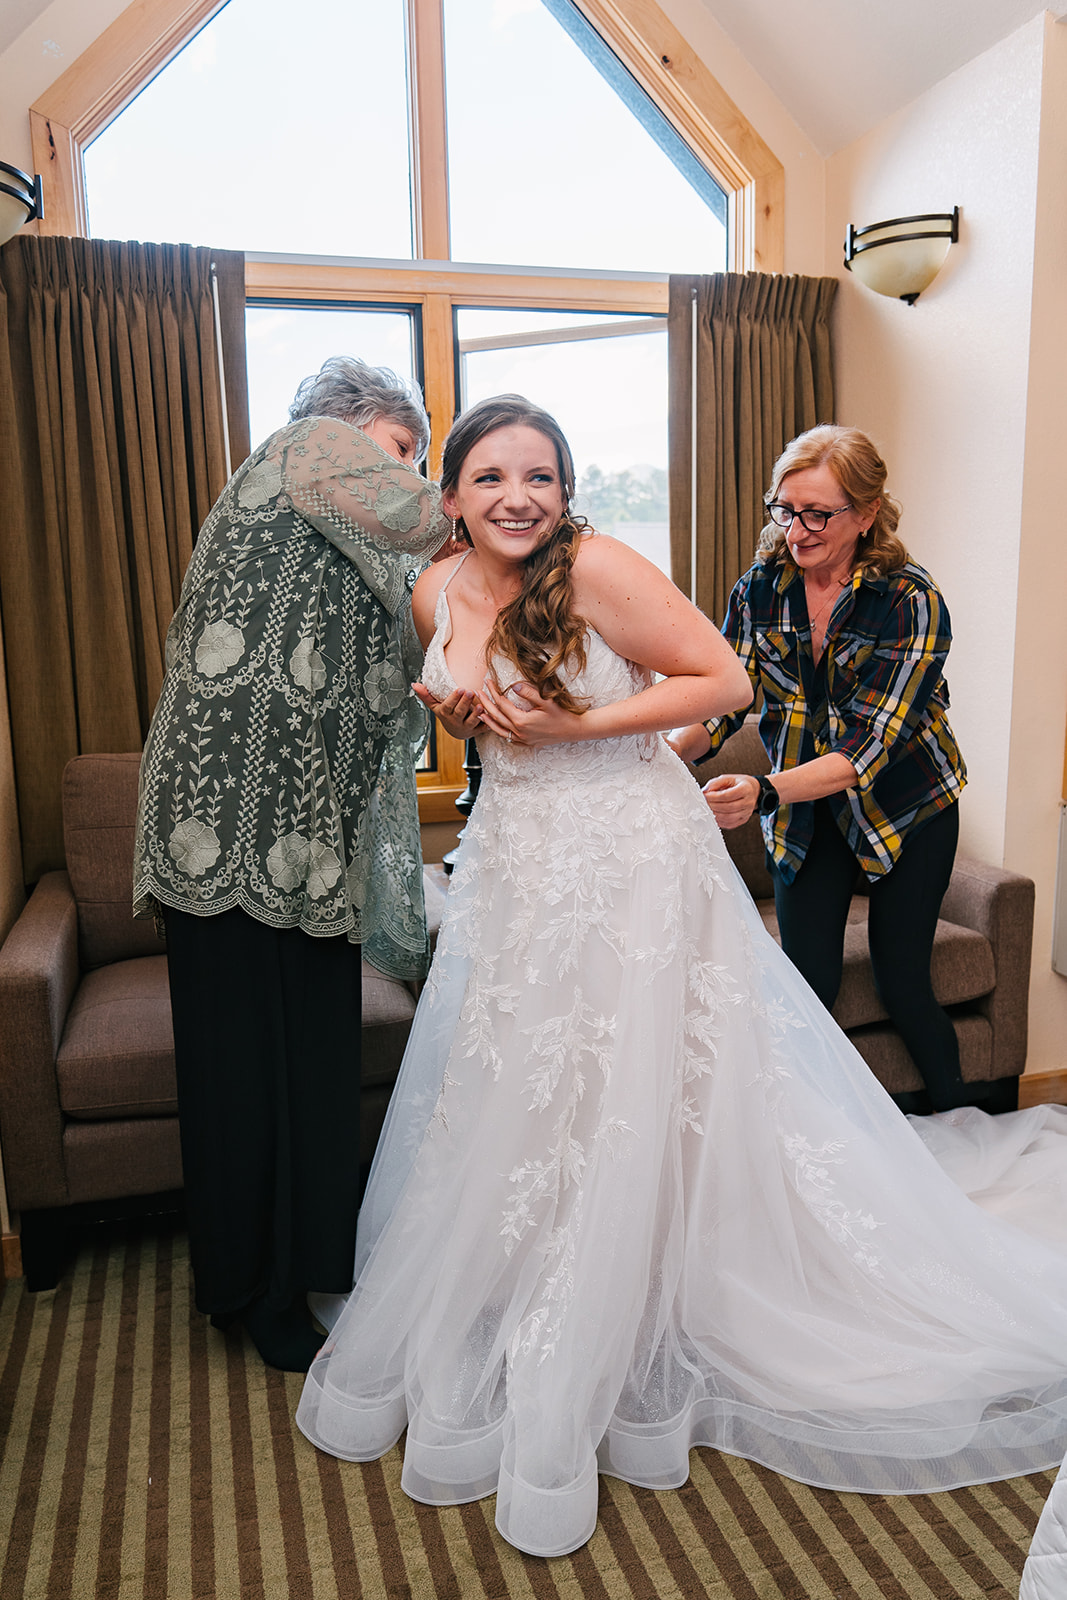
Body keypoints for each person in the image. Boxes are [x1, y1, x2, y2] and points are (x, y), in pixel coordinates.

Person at [296, 396, 1067, 1560]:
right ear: (448, 496)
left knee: (644, 1077)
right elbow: (480, 729)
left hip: (630, 853)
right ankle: (540, 1271)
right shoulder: (433, 588)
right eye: (492, 477)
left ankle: (656, 1286)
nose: (520, 497)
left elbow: (718, 684)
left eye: (542, 476)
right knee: (517, 1076)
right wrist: (463, 717)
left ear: (565, 492)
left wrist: (569, 732)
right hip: (518, 859)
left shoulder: (595, 566)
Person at [134, 357, 450, 1372]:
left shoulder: (346, 539)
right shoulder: (309, 448)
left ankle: (313, 1260)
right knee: (242, 1069)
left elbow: (405, 661)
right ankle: (248, 1292)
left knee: (312, 1056)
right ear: (357, 427)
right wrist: (518, 502)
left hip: (308, 839)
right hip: (221, 830)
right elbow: (423, 517)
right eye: (405, 450)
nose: (408, 474)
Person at [670, 425, 972, 1113]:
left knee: (901, 980)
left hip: (905, 810)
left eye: (817, 514)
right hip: (806, 813)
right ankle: (807, 1143)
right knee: (804, 982)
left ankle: (960, 1116)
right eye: (784, 509)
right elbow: (726, 697)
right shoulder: (759, 590)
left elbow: (868, 747)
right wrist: (661, 750)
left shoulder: (910, 601)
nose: (795, 530)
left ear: (864, 516)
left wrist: (763, 790)